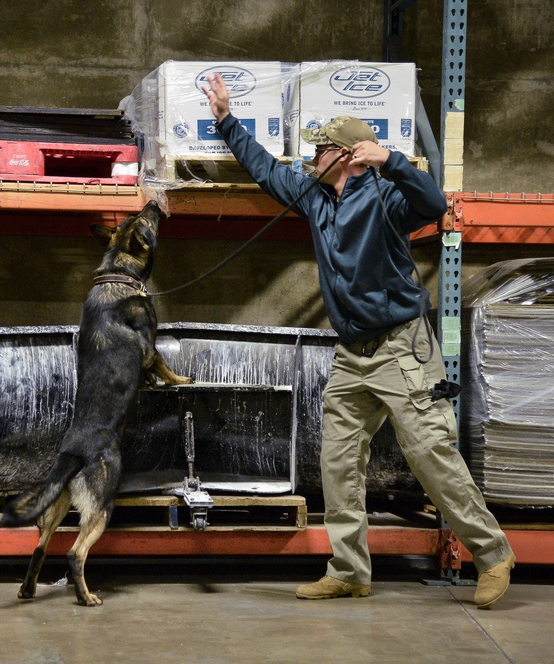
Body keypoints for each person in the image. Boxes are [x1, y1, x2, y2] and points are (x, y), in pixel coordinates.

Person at [202, 73, 515, 609]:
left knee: (430, 455)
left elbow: (434, 201)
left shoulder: (387, 198)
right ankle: (349, 570)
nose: (310, 159)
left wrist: (389, 159)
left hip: (401, 349)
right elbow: (264, 170)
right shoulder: (316, 201)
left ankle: (493, 555)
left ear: (346, 154)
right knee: (338, 462)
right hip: (351, 355)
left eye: (319, 149)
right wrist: (227, 120)